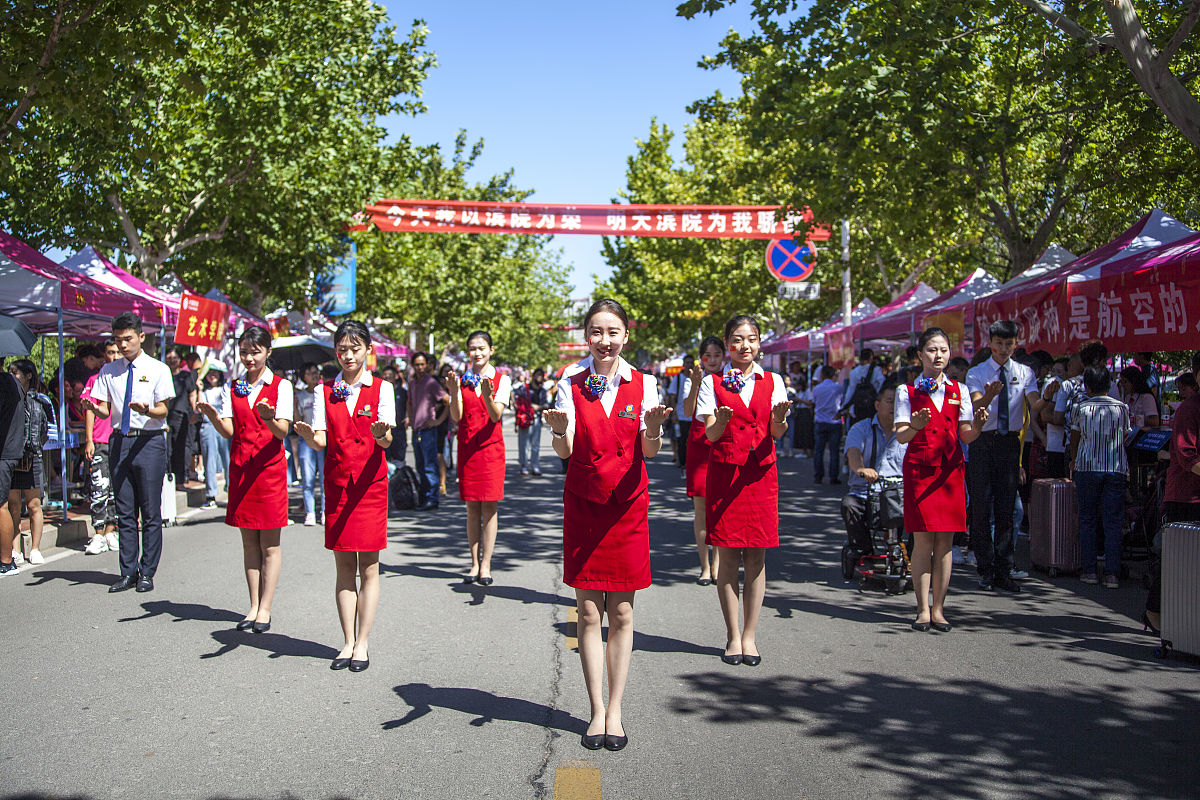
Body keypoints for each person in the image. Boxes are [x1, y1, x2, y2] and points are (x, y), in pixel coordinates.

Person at [542, 298, 670, 752]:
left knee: (621, 612)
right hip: (584, 504)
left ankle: (616, 710)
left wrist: (652, 429)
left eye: (612, 332)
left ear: (626, 336)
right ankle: (595, 709)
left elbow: (649, 452)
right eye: (596, 332)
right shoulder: (570, 382)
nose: (604, 340)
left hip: (627, 506)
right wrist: (559, 430)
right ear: (586, 336)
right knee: (589, 611)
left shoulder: (645, 383)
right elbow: (566, 449)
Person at [295, 320, 394, 673]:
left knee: (368, 567)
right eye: (342, 349)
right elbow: (322, 439)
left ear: (368, 350)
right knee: (342, 568)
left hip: (369, 487)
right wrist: (308, 436)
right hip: (337, 485)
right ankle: (347, 641)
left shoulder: (382, 389)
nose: (348, 355)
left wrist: (382, 436)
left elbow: (386, 439)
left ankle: (363, 642)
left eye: (355, 348)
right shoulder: (325, 391)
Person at [695, 315, 790, 667]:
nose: (744, 346)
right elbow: (711, 435)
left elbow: (778, 433)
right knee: (729, 559)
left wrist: (779, 419)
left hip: (761, 477)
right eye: (737, 339)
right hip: (725, 475)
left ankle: (750, 636)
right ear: (726, 343)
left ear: (760, 343)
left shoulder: (773, 381)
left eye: (751, 339)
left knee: (756, 559)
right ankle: (733, 635)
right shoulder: (712, 382)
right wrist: (719, 420)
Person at [197, 326, 292, 632]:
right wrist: (213, 416)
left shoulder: (281, 386)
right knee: (248, 542)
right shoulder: (234, 386)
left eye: (256, 352)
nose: (249, 358)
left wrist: (268, 418)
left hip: (269, 471)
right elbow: (230, 430)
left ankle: (266, 608)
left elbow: (283, 432)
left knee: (270, 546)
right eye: (244, 352)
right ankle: (252, 606)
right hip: (241, 469)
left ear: (268, 352)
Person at [895, 327, 987, 631]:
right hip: (920, 472)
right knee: (922, 541)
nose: (938, 355)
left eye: (944, 350)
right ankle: (922, 609)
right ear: (920, 354)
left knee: (946, 543)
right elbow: (901, 435)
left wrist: (979, 426)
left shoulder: (958, 390)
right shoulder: (906, 391)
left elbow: (966, 436)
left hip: (949, 473)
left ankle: (939, 609)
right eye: (932, 350)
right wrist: (917, 426)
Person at [80, 312, 175, 593]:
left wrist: (147, 410)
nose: (122, 345)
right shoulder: (108, 371)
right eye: (118, 340)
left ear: (141, 337)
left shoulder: (158, 369)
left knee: (150, 510)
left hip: (149, 441)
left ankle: (147, 572)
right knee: (124, 511)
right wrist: (93, 408)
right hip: (119, 442)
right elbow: (106, 410)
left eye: (128, 339)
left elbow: (163, 410)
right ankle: (127, 571)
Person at [965, 320, 1041, 593]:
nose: (1003, 349)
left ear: (1016, 343)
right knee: (982, 506)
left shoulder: (1025, 372)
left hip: (1010, 444)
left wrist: (1049, 397)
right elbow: (976, 406)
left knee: (1007, 509)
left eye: (1009, 344)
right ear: (991, 343)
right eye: (999, 343)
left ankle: (1003, 569)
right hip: (983, 441)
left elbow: (1035, 405)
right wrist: (989, 395)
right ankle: (985, 567)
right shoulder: (977, 372)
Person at [447, 331, 511, 585]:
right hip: (467, 449)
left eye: (482, 348)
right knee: (472, 507)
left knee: (490, 507)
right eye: (472, 348)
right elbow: (457, 416)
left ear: (491, 350)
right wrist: (453, 391)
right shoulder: (462, 380)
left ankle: (486, 565)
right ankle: (473, 564)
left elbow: (496, 416)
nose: (477, 353)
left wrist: (486, 393)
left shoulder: (501, 380)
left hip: (490, 450)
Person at [1145, 368, 1200, 632]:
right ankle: (1153, 611)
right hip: (1186, 497)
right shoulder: (1189, 409)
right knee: (1175, 561)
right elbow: (1187, 456)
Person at [1070, 366, 1130, 589]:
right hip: (1115, 468)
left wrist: (1073, 460)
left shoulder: (1081, 408)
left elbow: (1075, 437)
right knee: (1113, 521)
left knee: (1087, 519)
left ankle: (1089, 570)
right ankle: (1112, 574)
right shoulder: (1121, 408)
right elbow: (1125, 435)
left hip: (1087, 467)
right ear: (1109, 385)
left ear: (1087, 386)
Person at [842, 379, 907, 558]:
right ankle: (865, 549)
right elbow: (853, 453)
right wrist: (861, 469)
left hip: (899, 494)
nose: (894, 407)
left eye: (899, 403)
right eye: (890, 401)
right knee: (850, 504)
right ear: (877, 405)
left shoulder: (908, 432)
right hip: (867, 493)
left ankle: (912, 554)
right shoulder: (861, 428)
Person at [682, 336, 724, 585]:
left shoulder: (731, 380)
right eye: (708, 355)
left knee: (719, 508)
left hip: (721, 446)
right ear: (701, 358)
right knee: (701, 509)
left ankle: (719, 564)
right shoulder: (694, 381)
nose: (713, 360)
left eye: (717, 355)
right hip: (699, 448)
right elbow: (688, 412)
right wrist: (695, 384)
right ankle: (705, 566)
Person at [7, 361, 52, 565]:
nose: (11, 376)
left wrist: (35, 448)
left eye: (15, 372)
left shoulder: (39, 400)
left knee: (34, 505)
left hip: (32, 456)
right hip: (12, 457)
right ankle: (15, 549)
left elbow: (46, 430)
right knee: (13, 506)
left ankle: (35, 548)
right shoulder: (9, 397)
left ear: (28, 376)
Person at [82, 339, 121, 554]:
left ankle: (110, 531)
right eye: (109, 352)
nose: (113, 356)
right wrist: (88, 439)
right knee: (99, 487)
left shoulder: (126, 378)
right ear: (104, 355)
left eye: (116, 352)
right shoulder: (95, 379)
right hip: (99, 440)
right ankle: (97, 533)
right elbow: (89, 409)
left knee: (115, 489)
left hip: (119, 439)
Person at [407, 352, 447, 511]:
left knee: (430, 465)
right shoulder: (412, 383)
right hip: (416, 430)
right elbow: (409, 402)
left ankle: (432, 498)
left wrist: (438, 420)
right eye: (417, 364)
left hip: (428, 430)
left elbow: (447, 401)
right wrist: (410, 418)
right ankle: (424, 497)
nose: (420, 368)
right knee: (420, 465)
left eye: (422, 364)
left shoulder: (431, 383)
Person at [293, 362, 324, 525]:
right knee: (308, 477)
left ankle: (325, 511)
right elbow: (297, 420)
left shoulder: (325, 393)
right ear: (303, 377)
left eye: (316, 371)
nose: (314, 375)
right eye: (310, 372)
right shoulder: (300, 396)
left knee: (325, 477)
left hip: (323, 438)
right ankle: (310, 512)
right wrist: (293, 401)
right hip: (306, 440)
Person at [197, 362, 229, 510]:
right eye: (210, 373)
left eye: (216, 372)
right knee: (209, 460)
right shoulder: (204, 391)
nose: (213, 375)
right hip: (208, 425)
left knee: (229, 459)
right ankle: (211, 495)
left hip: (224, 423)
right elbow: (199, 407)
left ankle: (232, 491)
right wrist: (199, 388)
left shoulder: (226, 388)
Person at [164, 346, 198, 487]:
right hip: (166, 416)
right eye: (169, 358)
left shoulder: (186, 376)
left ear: (179, 360)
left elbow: (192, 393)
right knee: (167, 449)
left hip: (182, 416)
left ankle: (180, 481)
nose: (172, 361)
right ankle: (167, 479)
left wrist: (194, 411)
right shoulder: (163, 375)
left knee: (181, 448)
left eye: (174, 358)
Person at [811, 365, 843, 484]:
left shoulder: (817, 388)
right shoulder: (838, 388)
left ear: (822, 375)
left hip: (820, 421)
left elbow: (813, 402)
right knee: (834, 452)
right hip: (834, 422)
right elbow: (842, 402)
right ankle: (833, 476)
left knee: (819, 450)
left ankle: (818, 475)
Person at [514, 367, 548, 476]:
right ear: (533, 376)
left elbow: (545, 404)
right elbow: (515, 394)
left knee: (535, 444)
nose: (539, 377)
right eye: (537, 375)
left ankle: (535, 465)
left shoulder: (543, 390)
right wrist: (518, 406)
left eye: (541, 375)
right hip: (525, 419)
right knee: (524, 444)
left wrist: (537, 407)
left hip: (537, 419)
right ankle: (524, 465)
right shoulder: (525, 388)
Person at [669, 354, 696, 470]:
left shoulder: (697, 378)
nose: (689, 365)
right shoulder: (678, 378)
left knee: (693, 441)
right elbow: (672, 396)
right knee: (681, 440)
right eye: (687, 363)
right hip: (681, 415)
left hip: (694, 416)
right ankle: (682, 462)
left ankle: (690, 462)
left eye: (691, 363)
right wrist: (674, 413)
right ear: (684, 365)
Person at [1119, 366, 1160, 434]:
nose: (1123, 385)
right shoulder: (1128, 397)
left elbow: (1155, 422)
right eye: (1121, 382)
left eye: (1125, 382)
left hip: (1143, 435)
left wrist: (1137, 418)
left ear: (1134, 381)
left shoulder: (1146, 397)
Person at [381, 365, 408, 467]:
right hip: (384, 429)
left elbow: (409, 405)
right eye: (385, 375)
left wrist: (408, 417)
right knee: (385, 457)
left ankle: (399, 480)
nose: (387, 377)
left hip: (399, 428)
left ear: (396, 376)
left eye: (390, 375)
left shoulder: (403, 392)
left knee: (399, 457)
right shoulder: (380, 391)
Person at [435, 363, 455, 495]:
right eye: (444, 371)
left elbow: (450, 404)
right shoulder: (435, 384)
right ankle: (439, 480)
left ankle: (443, 481)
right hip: (435, 424)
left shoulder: (451, 388)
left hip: (445, 424)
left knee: (441, 453)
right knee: (438, 453)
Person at [792, 373, 814, 457]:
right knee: (800, 431)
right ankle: (803, 450)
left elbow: (810, 403)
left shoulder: (807, 392)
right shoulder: (798, 392)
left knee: (807, 431)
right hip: (799, 412)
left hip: (805, 412)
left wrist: (800, 400)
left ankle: (809, 451)